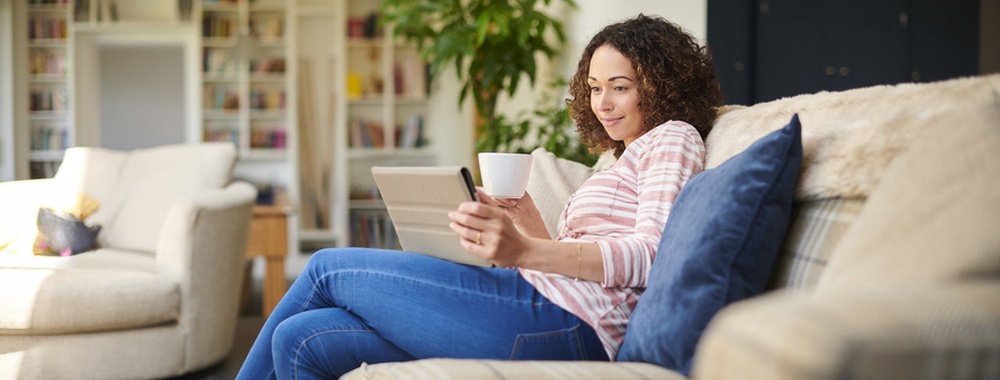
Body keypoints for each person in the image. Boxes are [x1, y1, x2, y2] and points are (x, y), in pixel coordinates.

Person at [236, 13, 723, 379]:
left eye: (620, 87)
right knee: (301, 338)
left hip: (569, 324)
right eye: (595, 88)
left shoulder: (672, 137)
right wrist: (528, 223)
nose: (603, 104)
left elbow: (654, 255)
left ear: (661, 85)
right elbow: (581, 256)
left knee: (323, 267)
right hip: (545, 307)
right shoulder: (621, 158)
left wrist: (527, 250)